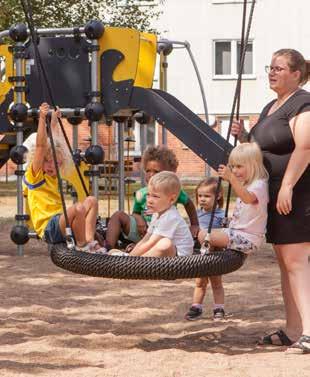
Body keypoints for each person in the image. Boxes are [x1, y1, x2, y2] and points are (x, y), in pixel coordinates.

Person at [232, 49, 310, 354]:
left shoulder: (302, 103)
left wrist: (288, 185)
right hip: (275, 194)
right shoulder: (270, 106)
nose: (272, 72)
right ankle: (294, 330)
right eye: (270, 67)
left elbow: (304, 147)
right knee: (285, 263)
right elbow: (264, 150)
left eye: (278, 68)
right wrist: (245, 137)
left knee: (296, 262)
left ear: (296, 73)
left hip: (298, 191)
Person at [23, 102, 105, 253]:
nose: (52, 167)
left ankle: (89, 241)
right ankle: (81, 245)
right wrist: (42, 118)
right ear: (39, 160)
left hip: (63, 221)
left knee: (91, 201)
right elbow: (42, 147)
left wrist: (54, 120)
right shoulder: (36, 175)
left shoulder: (54, 173)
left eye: (57, 164)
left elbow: (55, 143)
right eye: (47, 162)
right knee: (78, 207)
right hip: (49, 227)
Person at [104, 145, 199, 251]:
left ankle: (137, 249)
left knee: (162, 241)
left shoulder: (174, 192)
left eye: (156, 172)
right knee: (118, 215)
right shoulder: (141, 193)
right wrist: (139, 219)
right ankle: (108, 249)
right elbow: (135, 212)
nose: (151, 175)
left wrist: (194, 224)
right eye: (148, 171)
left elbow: (189, 204)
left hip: (163, 233)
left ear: (169, 174)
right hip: (143, 231)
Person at [185, 177, 226, 321]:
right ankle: (196, 307)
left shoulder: (222, 215)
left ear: (218, 196)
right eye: (200, 196)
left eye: (207, 196)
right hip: (201, 253)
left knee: (216, 282)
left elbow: (226, 234)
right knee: (200, 282)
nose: (202, 199)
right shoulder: (196, 214)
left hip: (216, 254)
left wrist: (228, 224)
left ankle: (219, 308)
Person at [126, 171, 194, 257]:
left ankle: (136, 264)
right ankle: (134, 261)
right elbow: (146, 239)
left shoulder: (170, 216)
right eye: (148, 195)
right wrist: (131, 255)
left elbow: (151, 243)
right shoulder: (157, 213)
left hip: (180, 258)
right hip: (166, 255)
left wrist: (131, 258)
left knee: (165, 244)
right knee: (156, 243)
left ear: (172, 199)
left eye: (155, 196)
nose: (149, 200)